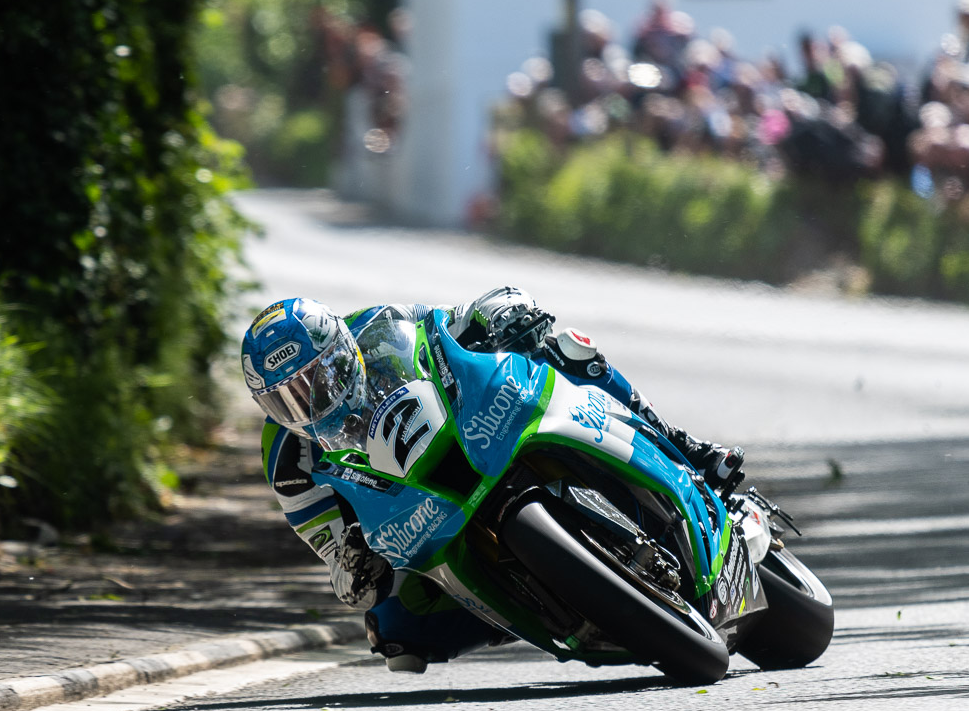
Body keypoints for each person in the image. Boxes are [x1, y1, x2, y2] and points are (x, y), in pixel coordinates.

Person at [240, 287, 741, 673]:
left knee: (565, 348)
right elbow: (331, 551)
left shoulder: (376, 325)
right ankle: (529, 603)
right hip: (413, 513)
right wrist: (352, 566)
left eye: (319, 376)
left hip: (471, 429)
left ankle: (683, 444)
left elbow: (450, 323)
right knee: (395, 631)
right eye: (287, 399)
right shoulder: (285, 457)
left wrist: (498, 313)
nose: (310, 402)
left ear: (341, 349)